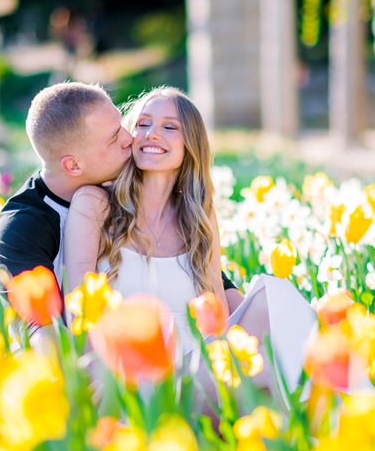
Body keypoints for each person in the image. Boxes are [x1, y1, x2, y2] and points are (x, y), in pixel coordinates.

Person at [63, 86, 315, 387]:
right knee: (268, 375)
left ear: (190, 145)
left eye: (169, 127)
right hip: (127, 380)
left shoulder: (198, 218)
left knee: (276, 296)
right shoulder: (95, 204)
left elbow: (217, 319)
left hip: (195, 375)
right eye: (143, 124)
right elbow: (76, 308)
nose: (152, 133)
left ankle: (351, 406)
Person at [0, 82, 242, 308]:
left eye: (122, 125)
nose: (131, 137)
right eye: (114, 138)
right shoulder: (24, 227)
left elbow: (206, 281)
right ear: (74, 166)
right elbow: (45, 327)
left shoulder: (183, 212)